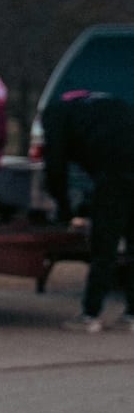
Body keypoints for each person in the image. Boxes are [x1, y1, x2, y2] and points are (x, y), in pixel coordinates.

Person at [42, 87, 134, 332]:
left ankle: (90, 315)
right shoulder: (110, 103)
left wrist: (64, 208)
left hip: (116, 173)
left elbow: (55, 165)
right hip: (123, 163)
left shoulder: (56, 113)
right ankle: (132, 316)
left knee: (105, 246)